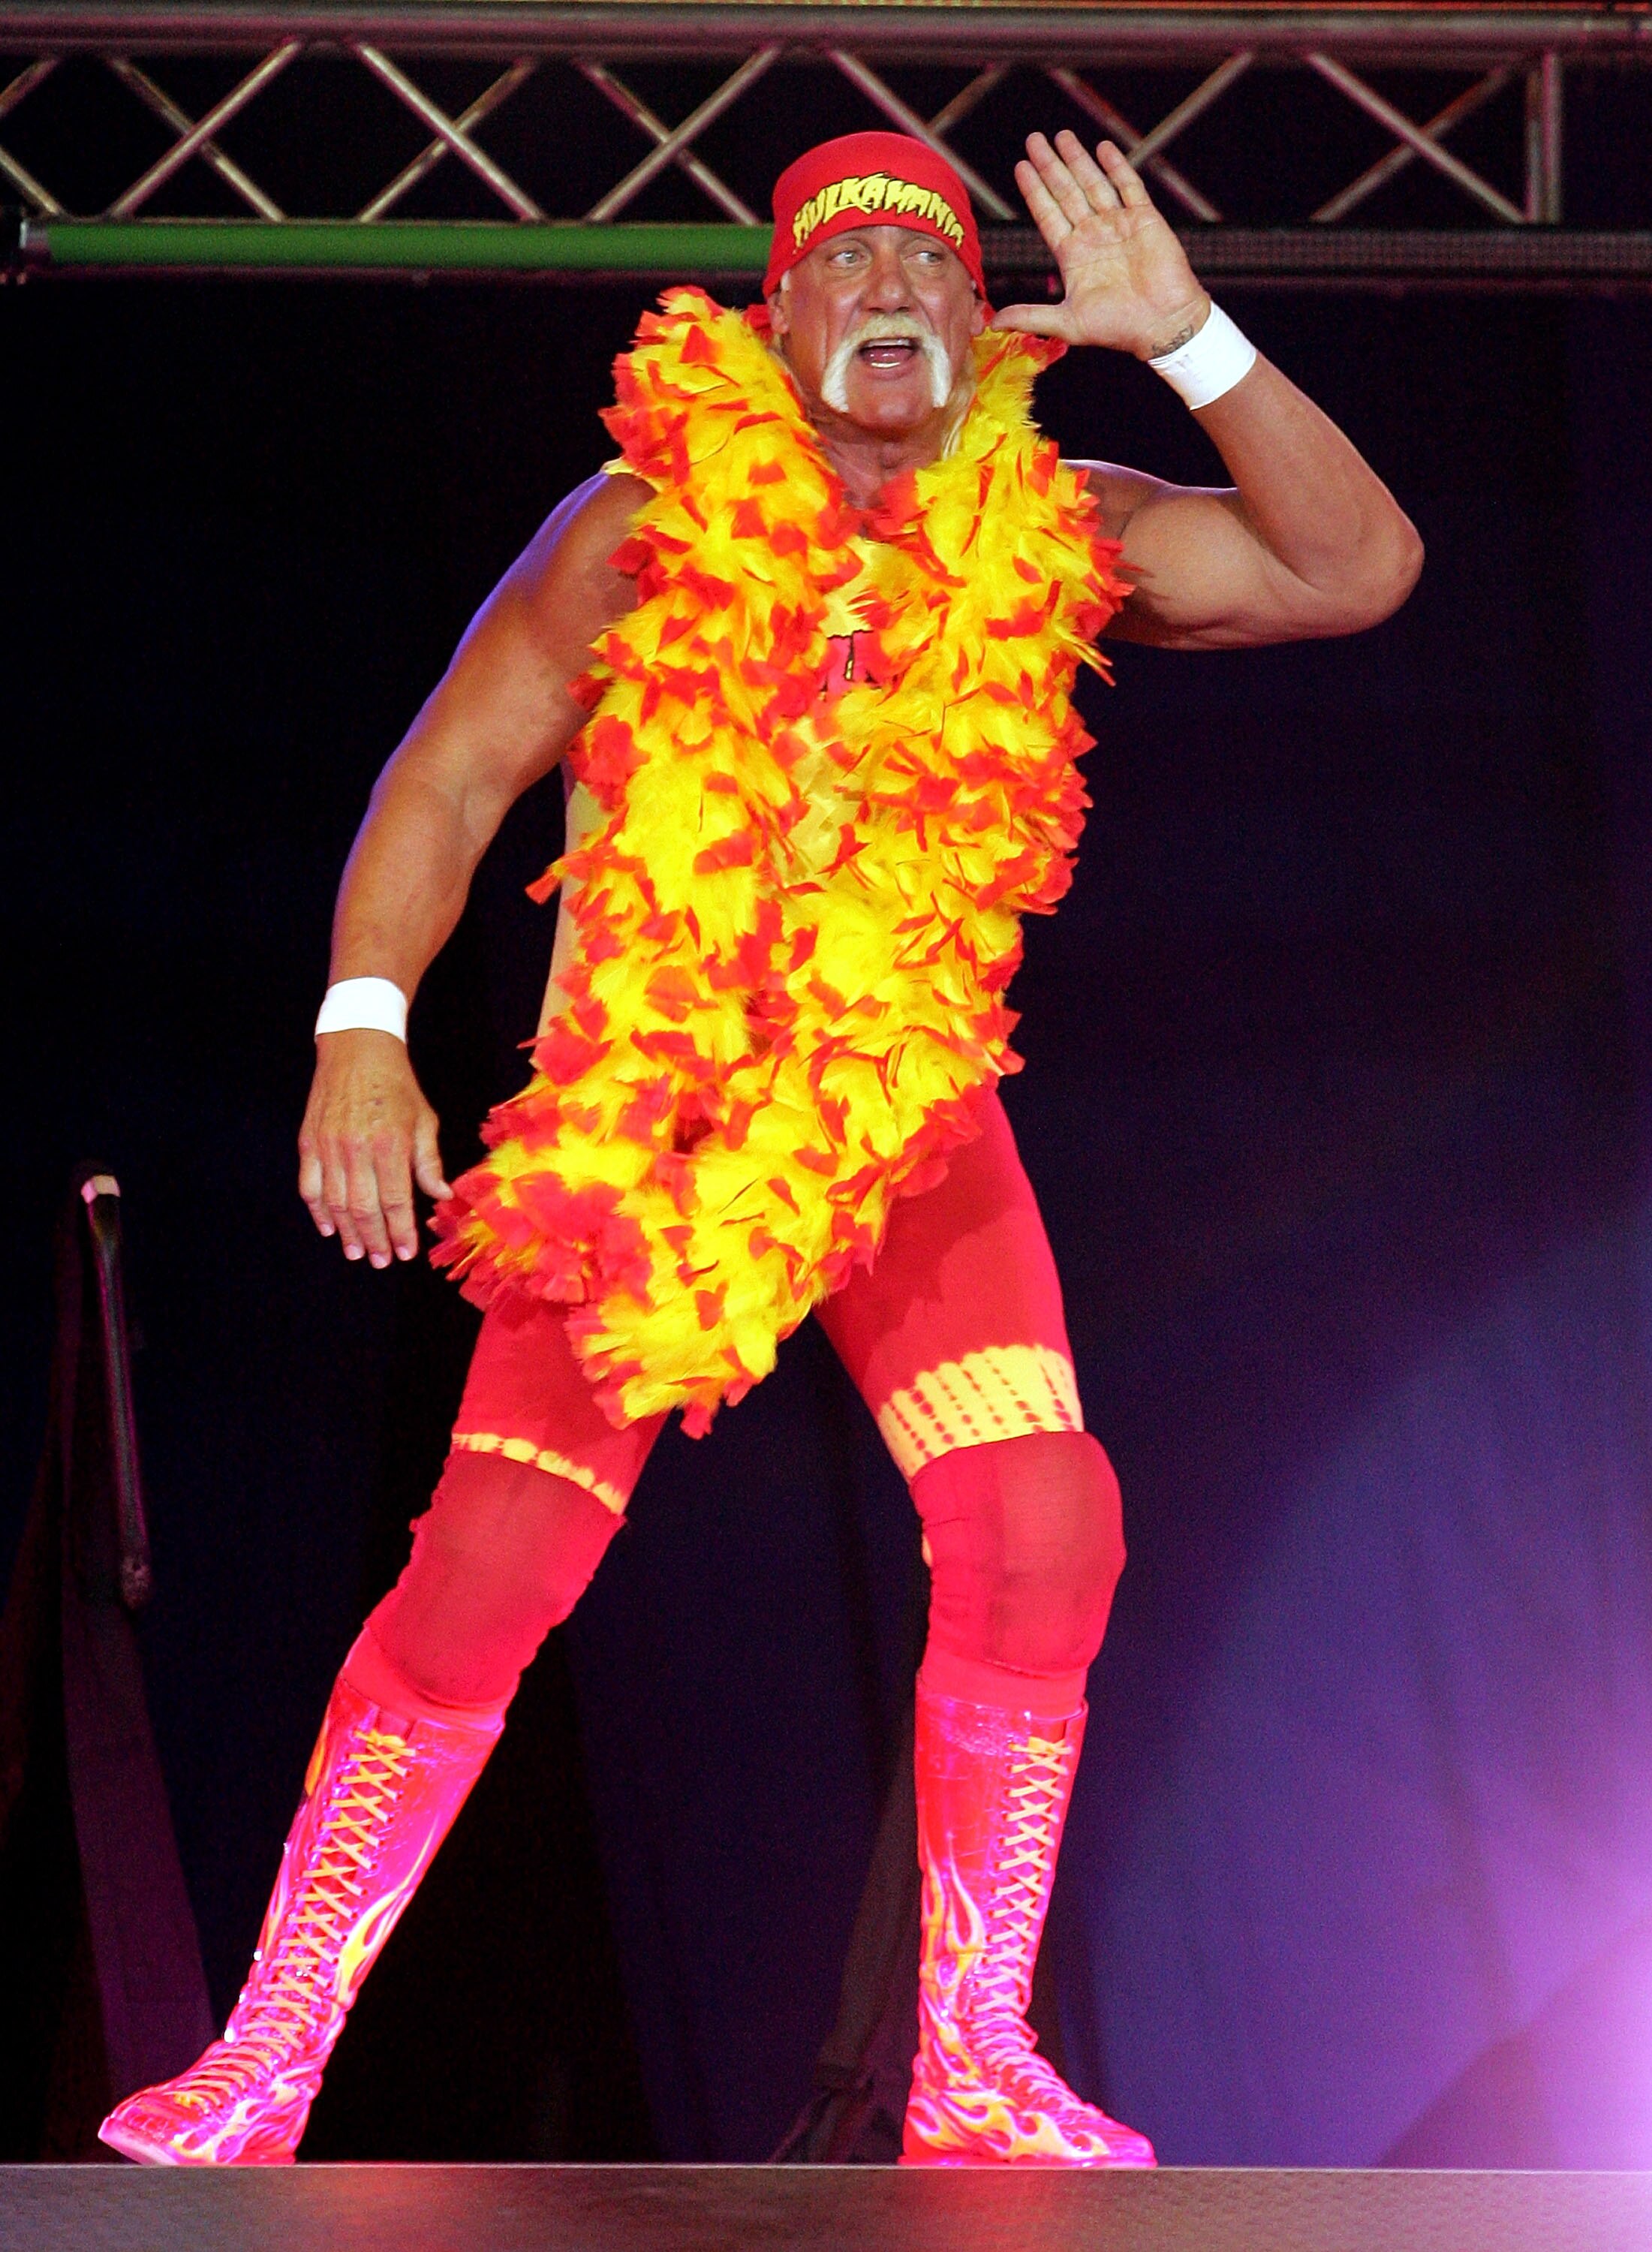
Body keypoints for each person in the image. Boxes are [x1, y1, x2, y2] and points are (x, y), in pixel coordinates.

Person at [101, 128, 1420, 2170]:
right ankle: (269, 2055)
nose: (888, 279)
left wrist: (1199, 342)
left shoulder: (1060, 519)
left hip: (903, 1125)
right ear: (778, 312)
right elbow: (449, 782)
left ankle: (971, 2064)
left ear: (979, 327)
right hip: (650, 1126)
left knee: (1045, 1528)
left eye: (929, 258)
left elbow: (1354, 572)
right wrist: (362, 1037)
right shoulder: (642, 523)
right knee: (485, 1575)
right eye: (845, 257)